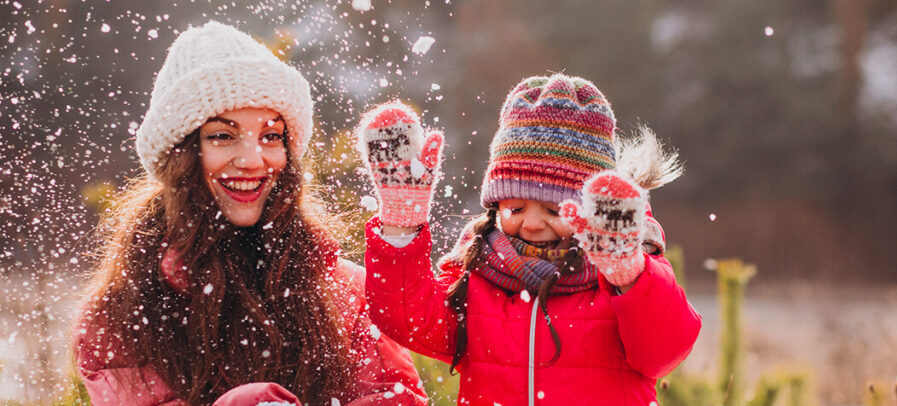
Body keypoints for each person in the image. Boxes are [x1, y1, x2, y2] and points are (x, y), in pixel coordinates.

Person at [73, 21, 427, 406]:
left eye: (270, 136)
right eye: (223, 136)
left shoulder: (346, 292)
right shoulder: (121, 316)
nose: (252, 159)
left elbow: (393, 396)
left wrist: (401, 235)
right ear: (182, 155)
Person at [358, 74, 702, 405]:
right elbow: (408, 321)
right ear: (495, 205)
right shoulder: (478, 269)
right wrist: (401, 226)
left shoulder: (622, 271)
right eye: (516, 207)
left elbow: (664, 352)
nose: (533, 223)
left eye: (554, 211)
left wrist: (627, 275)